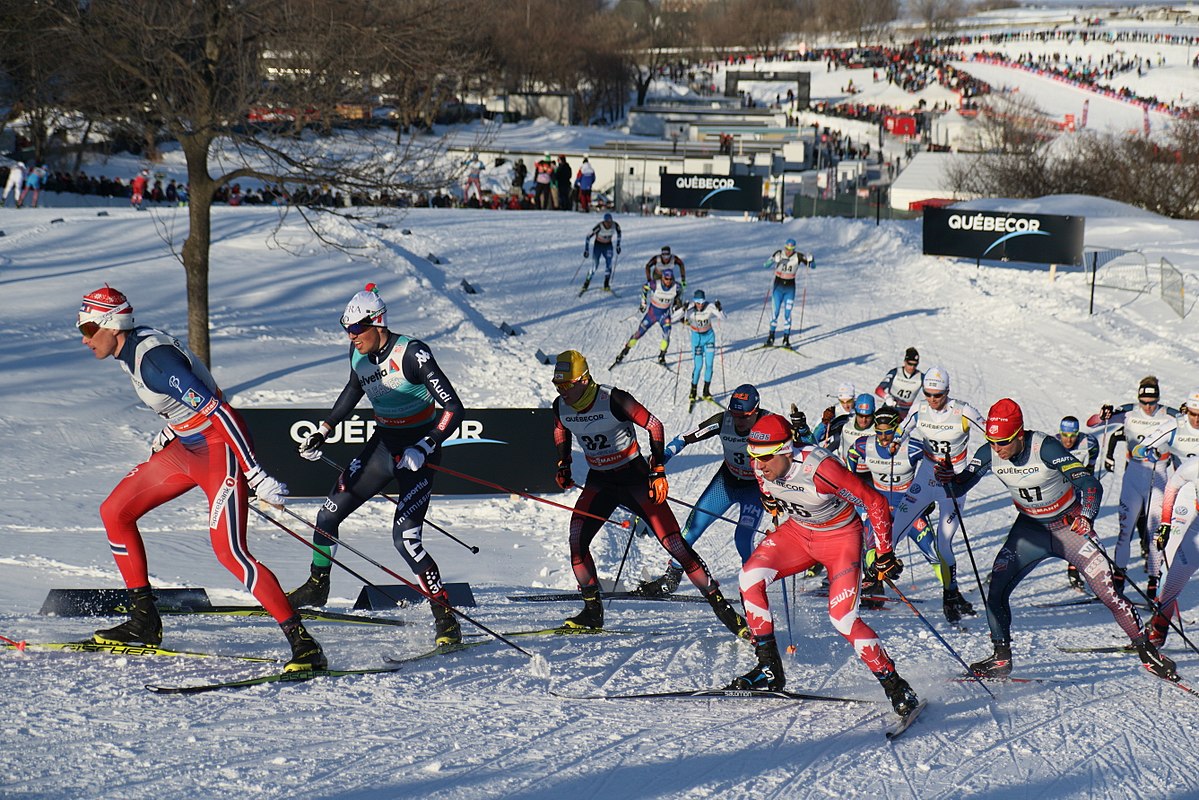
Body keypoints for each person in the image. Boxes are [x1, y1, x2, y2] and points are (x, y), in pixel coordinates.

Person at [76, 286, 324, 671]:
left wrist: (254, 473)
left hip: (218, 449)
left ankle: (302, 642)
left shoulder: (153, 362)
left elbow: (221, 412)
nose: (85, 338)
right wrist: (172, 428)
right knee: (114, 512)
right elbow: (192, 397)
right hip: (187, 447)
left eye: (90, 328)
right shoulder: (129, 352)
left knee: (230, 553)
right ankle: (145, 620)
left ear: (113, 324)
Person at [941, 398, 1176, 681]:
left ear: (1019, 435)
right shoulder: (990, 453)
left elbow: (1090, 484)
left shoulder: (1045, 448)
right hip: (1030, 530)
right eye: (991, 441)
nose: (997, 448)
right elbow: (960, 484)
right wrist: (948, 478)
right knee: (996, 591)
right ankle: (1001, 659)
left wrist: (1086, 516)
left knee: (1109, 593)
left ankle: (1148, 653)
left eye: (1003, 441)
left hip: (1069, 526)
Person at [289, 284, 467, 646]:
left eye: (356, 330)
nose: (352, 337)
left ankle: (445, 616)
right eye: (347, 330)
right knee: (326, 516)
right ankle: (317, 586)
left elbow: (454, 408)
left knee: (406, 540)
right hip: (383, 446)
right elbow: (353, 390)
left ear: (378, 323)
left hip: (418, 453)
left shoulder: (413, 354)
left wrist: (427, 443)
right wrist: (323, 430)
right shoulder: (358, 355)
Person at [729, 413, 921, 718]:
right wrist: (770, 502)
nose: (759, 465)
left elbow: (873, 501)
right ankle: (768, 668)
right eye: (754, 456)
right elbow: (767, 491)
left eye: (765, 457)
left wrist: (884, 552)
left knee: (842, 619)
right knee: (749, 578)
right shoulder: (760, 464)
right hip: (797, 533)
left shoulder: (821, 470)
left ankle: (896, 686)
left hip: (841, 539)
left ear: (785, 450)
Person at [550, 351, 748, 637]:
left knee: (675, 546)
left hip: (635, 479)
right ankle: (592, 614)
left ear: (583, 379)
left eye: (566, 385)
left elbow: (654, 425)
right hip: (600, 482)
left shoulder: (613, 399)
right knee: (576, 543)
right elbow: (560, 429)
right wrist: (563, 462)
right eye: (558, 386)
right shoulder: (560, 406)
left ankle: (726, 613)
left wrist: (657, 470)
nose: (562, 391)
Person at [634, 384, 773, 597]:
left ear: (756, 411)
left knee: (743, 539)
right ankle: (671, 580)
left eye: (744, 416)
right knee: (689, 532)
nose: (739, 421)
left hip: (754, 489)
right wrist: (660, 460)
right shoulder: (723, 420)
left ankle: (754, 589)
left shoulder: (769, 423)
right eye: (735, 415)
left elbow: (798, 447)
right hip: (725, 483)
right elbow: (683, 438)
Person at [894, 366, 986, 623]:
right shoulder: (919, 408)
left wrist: (974, 470)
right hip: (926, 476)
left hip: (953, 482)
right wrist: (894, 443)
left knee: (943, 542)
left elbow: (992, 434)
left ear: (947, 392)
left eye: (938, 395)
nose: (933, 400)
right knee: (893, 530)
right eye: (928, 394)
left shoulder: (963, 411)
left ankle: (950, 593)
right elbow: (903, 430)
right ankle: (873, 578)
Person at [846, 405, 943, 597]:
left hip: (908, 507)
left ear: (897, 428)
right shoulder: (865, 445)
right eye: (879, 432)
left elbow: (935, 464)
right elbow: (852, 454)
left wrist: (929, 492)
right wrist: (852, 484)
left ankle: (950, 592)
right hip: (878, 507)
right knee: (871, 551)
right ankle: (874, 587)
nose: (883, 438)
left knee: (933, 551)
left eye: (888, 433)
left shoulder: (912, 446)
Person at [1097, 376, 1179, 599]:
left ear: (1158, 399)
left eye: (1152, 402)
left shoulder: (1169, 414)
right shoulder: (1129, 412)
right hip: (1134, 473)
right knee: (1125, 531)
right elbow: (1093, 422)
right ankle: (1118, 579)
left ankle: (1154, 583)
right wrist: (1104, 412)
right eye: (1144, 402)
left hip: (1159, 473)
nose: (1148, 407)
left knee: (1155, 531)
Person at [1058, 415, 1101, 590]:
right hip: (1056, 494)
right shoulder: (1052, 444)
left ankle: (1074, 570)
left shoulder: (1090, 443)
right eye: (1064, 435)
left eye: (1072, 435)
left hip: (1076, 494)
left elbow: (1089, 470)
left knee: (1080, 531)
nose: (1068, 440)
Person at [611, 268, 682, 368]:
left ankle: (662, 356)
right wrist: (643, 302)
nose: (668, 281)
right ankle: (624, 351)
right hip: (652, 314)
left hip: (664, 315)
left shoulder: (676, 287)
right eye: (666, 279)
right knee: (639, 333)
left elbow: (679, 293)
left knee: (667, 334)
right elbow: (645, 288)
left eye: (671, 279)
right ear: (662, 278)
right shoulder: (655, 284)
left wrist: (676, 302)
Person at [761, 238, 813, 348]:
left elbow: (812, 266)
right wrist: (773, 260)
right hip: (778, 288)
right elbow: (765, 265)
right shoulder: (779, 253)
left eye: (791, 249)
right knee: (775, 313)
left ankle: (786, 339)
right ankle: (771, 337)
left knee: (788, 314)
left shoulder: (798, 256)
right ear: (784, 247)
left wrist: (811, 260)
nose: (788, 251)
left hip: (790, 289)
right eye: (787, 248)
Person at [684, 289, 723, 406]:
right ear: (694, 301)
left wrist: (719, 309)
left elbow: (723, 317)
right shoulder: (690, 310)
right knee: (698, 366)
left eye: (702, 302)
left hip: (709, 338)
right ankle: (693, 391)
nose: (700, 304)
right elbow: (675, 317)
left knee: (709, 365)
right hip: (697, 340)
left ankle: (706, 391)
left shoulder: (709, 307)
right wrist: (682, 308)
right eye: (697, 302)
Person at [874, 346, 923, 419]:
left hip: (906, 411)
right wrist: (887, 397)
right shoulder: (895, 372)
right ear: (905, 361)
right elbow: (879, 389)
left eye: (915, 364)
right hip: (890, 407)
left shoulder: (921, 377)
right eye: (910, 364)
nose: (912, 367)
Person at [581, 213, 622, 293]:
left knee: (609, 263)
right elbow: (588, 236)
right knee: (595, 265)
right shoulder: (599, 227)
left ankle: (606, 284)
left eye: (610, 222)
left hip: (608, 245)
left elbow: (619, 233)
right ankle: (587, 282)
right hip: (598, 245)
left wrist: (618, 245)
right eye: (607, 222)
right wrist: (586, 250)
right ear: (604, 221)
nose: (609, 224)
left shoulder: (615, 225)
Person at [812, 382, 857, 448]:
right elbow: (815, 438)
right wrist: (824, 423)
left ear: (853, 398)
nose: (845, 405)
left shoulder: (860, 409)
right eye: (842, 401)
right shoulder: (832, 412)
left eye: (849, 401)